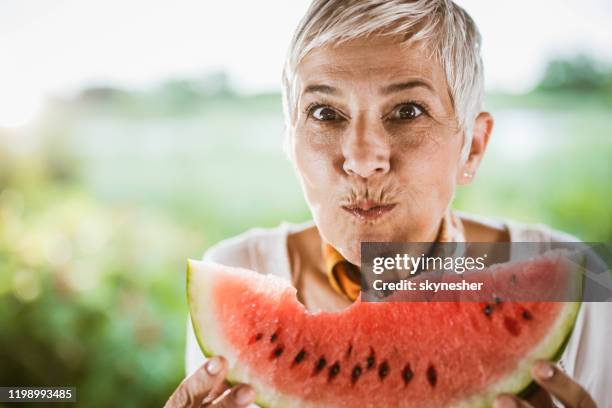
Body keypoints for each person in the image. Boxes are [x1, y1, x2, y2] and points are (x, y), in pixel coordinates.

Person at [166, 1, 610, 407]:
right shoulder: (236, 267)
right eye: (324, 113)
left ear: (472, 148)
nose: (362, 160)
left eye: (407, 111)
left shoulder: (578, 282)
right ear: (290, 140)